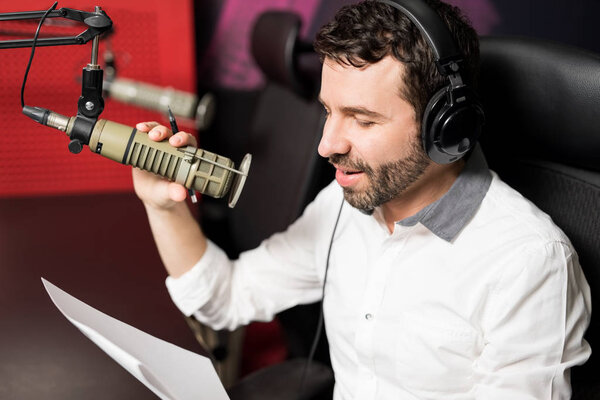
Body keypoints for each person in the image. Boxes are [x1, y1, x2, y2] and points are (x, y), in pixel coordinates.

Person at [132, 0, 591, 398]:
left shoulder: (529, 263)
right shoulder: (346, 202)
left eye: (363, 120)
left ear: (446, 127)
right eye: (329, 111)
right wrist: (163, 205)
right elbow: (224, 297)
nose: (326, 144)